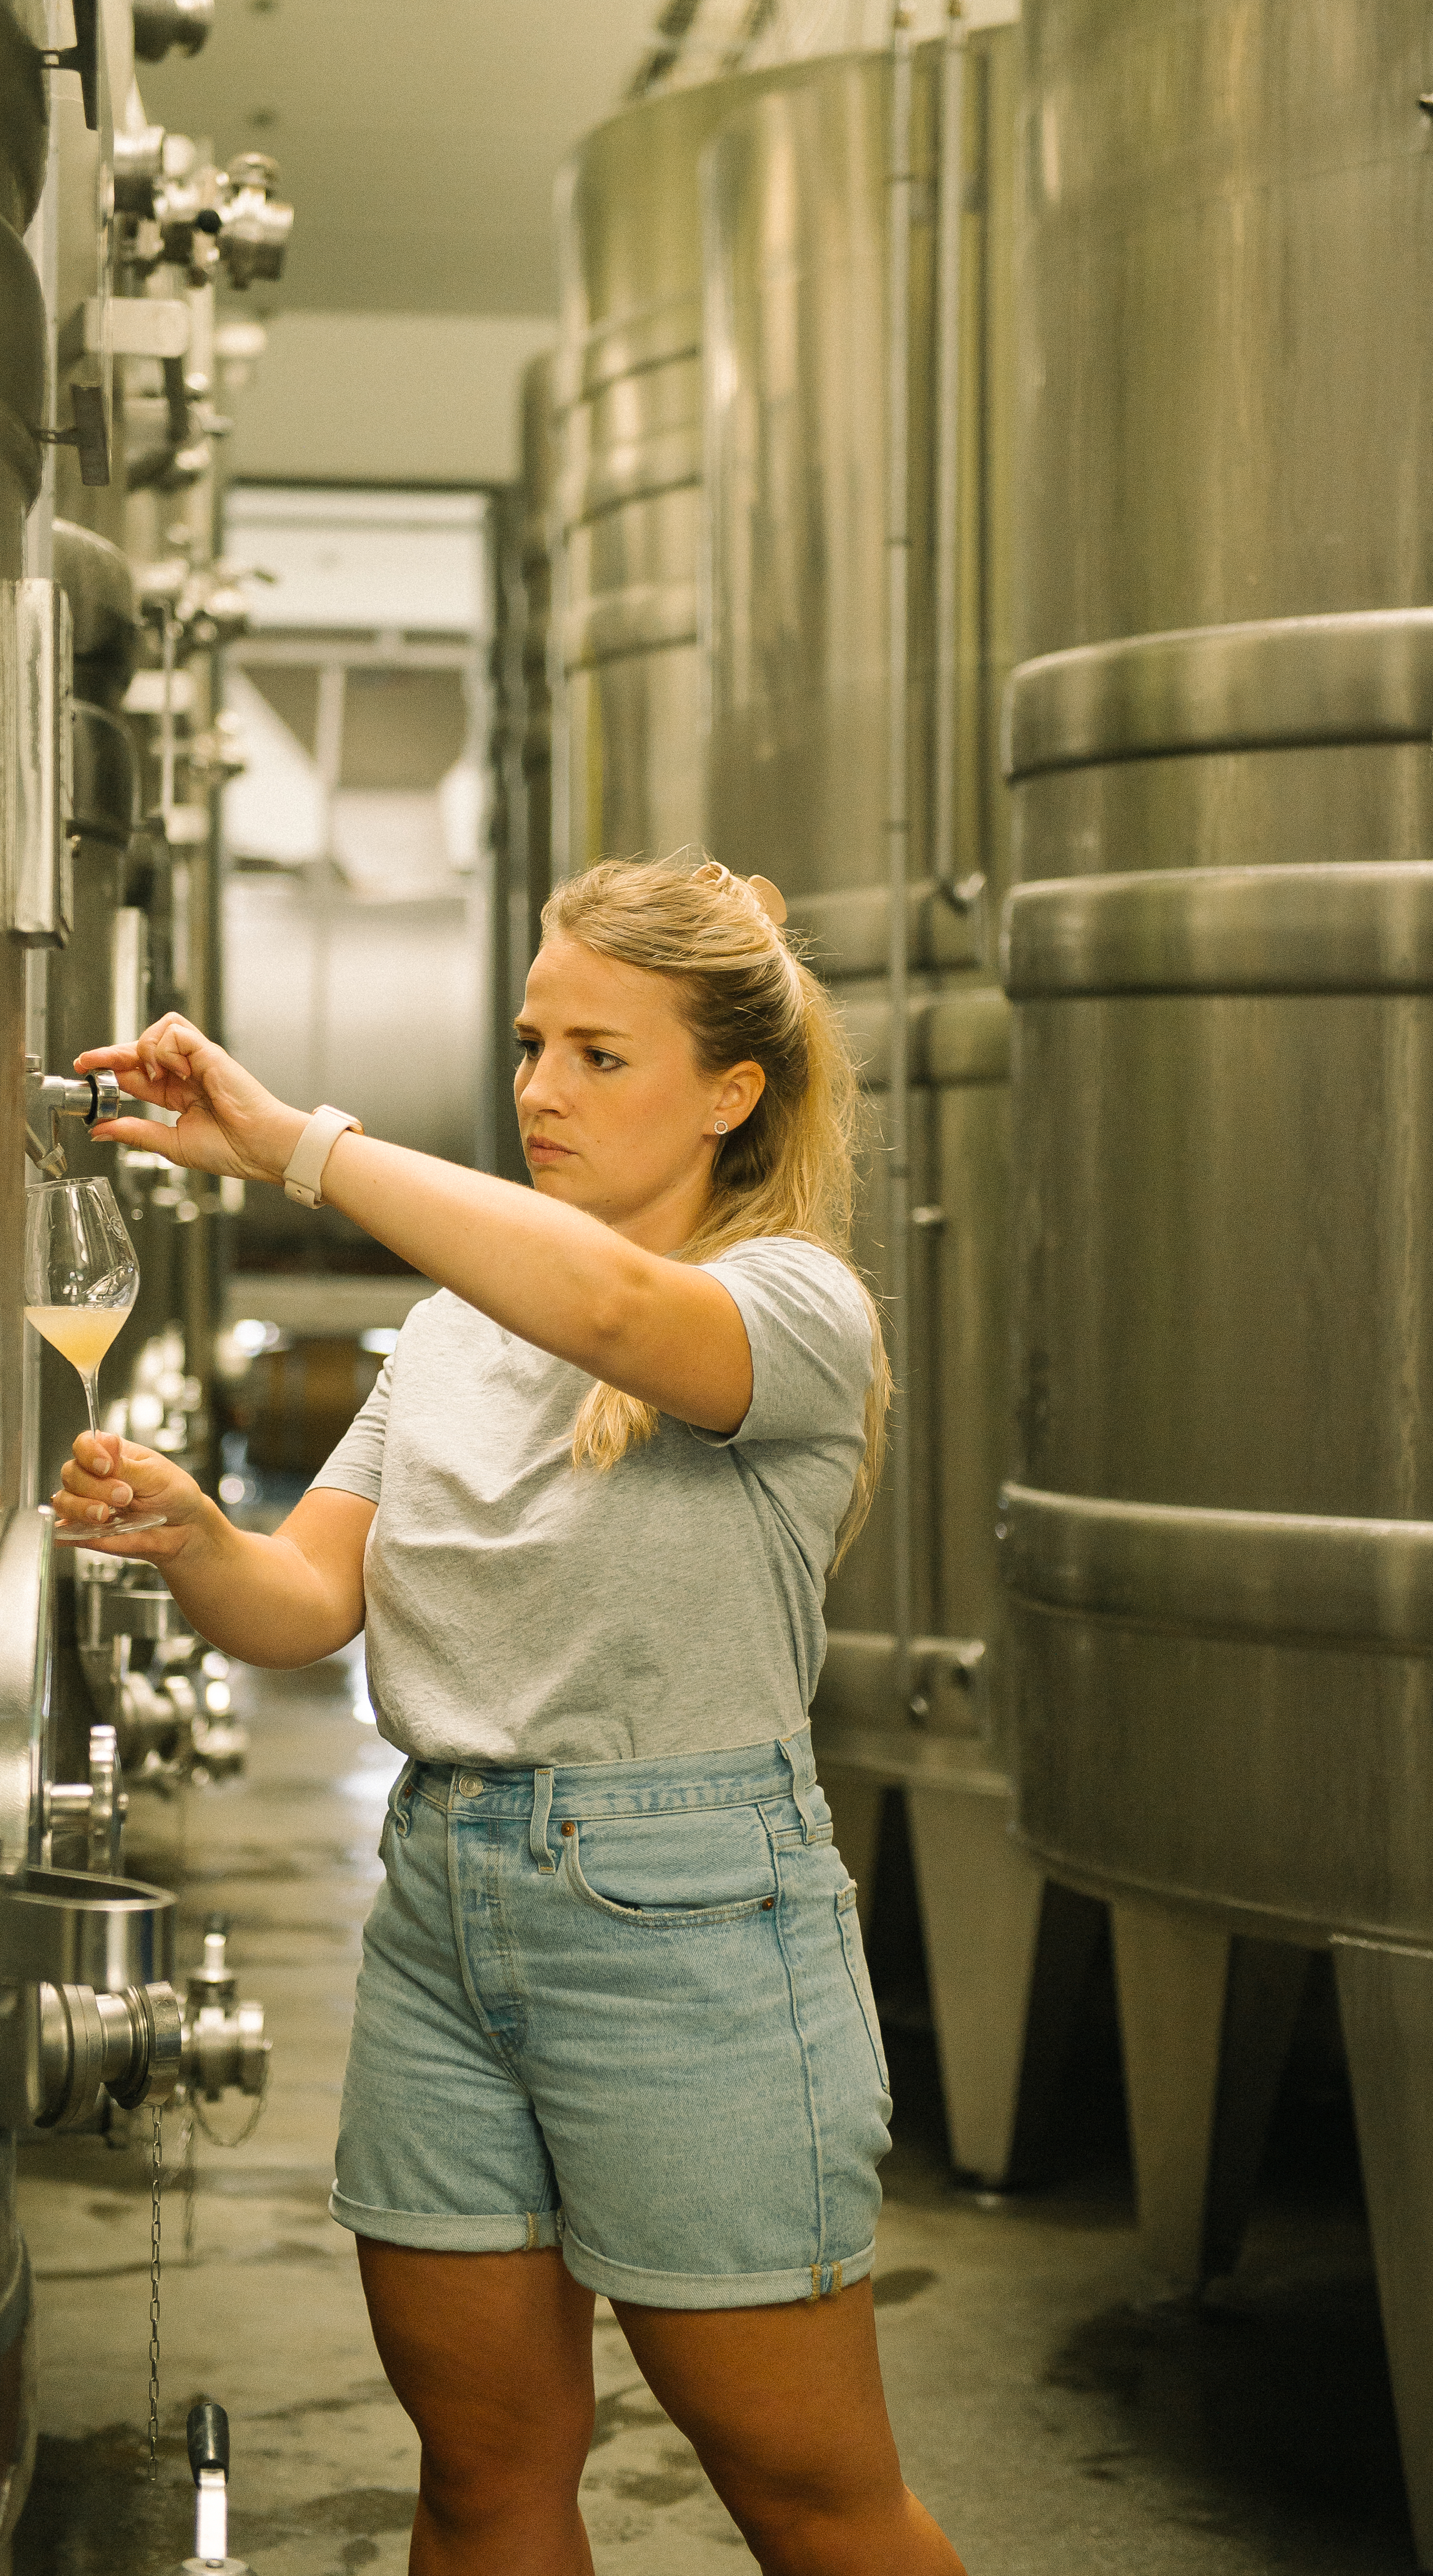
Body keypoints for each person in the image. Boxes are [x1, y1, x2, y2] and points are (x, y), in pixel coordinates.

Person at [57, 853, 968, 2576]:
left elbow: (615, 1309)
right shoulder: (449, 1335)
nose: (543, 1089)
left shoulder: (795, 1309)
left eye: (601, 1056)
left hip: (687, 1929)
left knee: (810, 2498)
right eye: (533, 1042)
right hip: (443, 1913)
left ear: (732, 1093)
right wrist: (192, 1537)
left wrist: (297, 1146)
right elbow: (304, 1601)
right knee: (481, 2475)